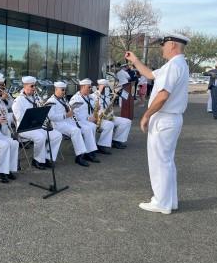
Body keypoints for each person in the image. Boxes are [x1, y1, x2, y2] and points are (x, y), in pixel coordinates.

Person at [125, 33, 190, 214]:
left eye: (164, 44)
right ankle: (169, 201)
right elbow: (151, 75)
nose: (162, 48)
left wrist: (146, 115)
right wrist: (135, 60)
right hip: (170, 118)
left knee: (159, 162)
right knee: (166, 161)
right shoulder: (178, 64)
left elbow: (162, 96)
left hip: (164, 118)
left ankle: (161, 203)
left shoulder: (174, 66)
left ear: (172, 45)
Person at [12, 76, 63, 170]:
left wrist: (42, 108)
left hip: (37, 126)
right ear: (25, 86)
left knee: (57, 135)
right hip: (24, 128)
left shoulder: (36, 98)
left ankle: (47, 158)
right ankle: (37, 160)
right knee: (40, 137)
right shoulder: (18, 100)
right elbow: (19, 118)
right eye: (32, 86)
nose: (34, 88)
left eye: (34, 86)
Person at [46, 82, 93, 166]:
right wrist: (65, 115)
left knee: (86, 127)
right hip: (58, 124)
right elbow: (51, 117)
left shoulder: (63, 99)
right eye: (62, 90)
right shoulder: (51, 101)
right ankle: (79, 156)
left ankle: (88, 152)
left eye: (65, 90)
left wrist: (72, 110)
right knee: (75, 130)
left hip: (67, 122)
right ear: (56, 89)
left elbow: (68, 111)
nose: (64, 92)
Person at [70, 79, 113, 154]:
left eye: (90, 87)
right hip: (82, 121)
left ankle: (102, 145)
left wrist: (97, 110)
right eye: (88, 87)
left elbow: (94, 107)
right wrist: (88, 118)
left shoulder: (90, 97)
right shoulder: (75, 98)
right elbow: (73, 114)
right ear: (82, 87)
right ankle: (90, 150)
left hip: (93, 119)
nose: (90, 89)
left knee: (109, 124)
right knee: (91, 127)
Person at [94, 79, 131, 149]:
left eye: (107, 87)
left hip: (109, 117)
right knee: (109, 124)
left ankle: (117, 140)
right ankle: (102, 145)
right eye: (104, 87)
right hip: (100, 119)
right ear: (99, 86)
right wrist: (99, 91)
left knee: (126, 121)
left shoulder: (107, 95)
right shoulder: (94, 95)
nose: (106, 89)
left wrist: (117, 91)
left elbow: (126, 96)